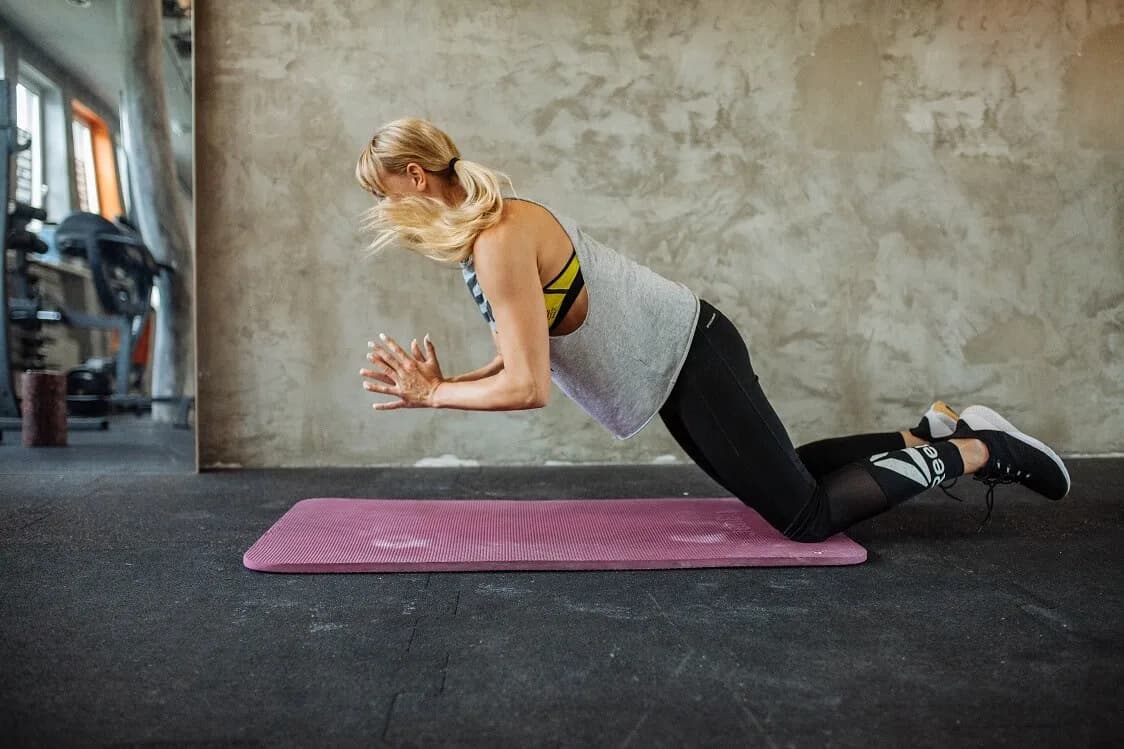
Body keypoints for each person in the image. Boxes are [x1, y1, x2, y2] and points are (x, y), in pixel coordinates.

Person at [355, 118, 1070, 542]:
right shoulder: (491, 234)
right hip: (682, 357)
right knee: (788, 473)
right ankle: (934, 431)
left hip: (690, 354)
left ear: (414, 177)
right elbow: (523, 353)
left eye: (381, 195)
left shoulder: (498, 240)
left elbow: (530, 385)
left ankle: (984, 450)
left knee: (806, 516)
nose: (383, 213)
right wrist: (448, 381)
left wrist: (434, 397)